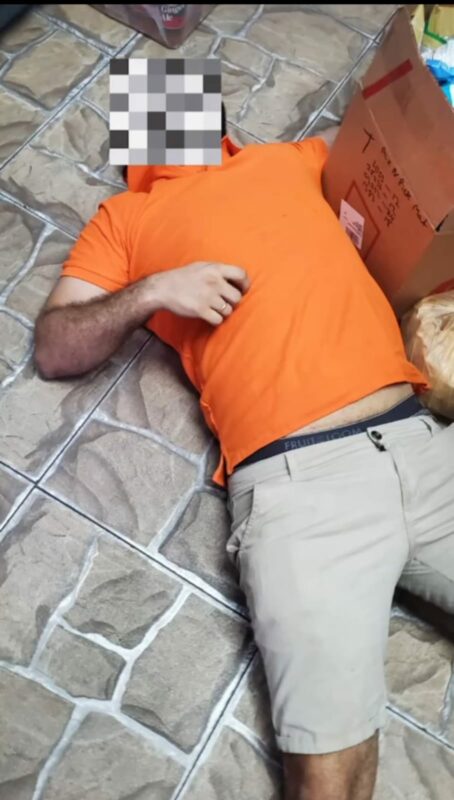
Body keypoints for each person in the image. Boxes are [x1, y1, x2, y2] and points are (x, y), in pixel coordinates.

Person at [34, 104, 454, 800]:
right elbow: (55, 347)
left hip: (423, 440)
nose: (170, 116)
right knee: (331, 774)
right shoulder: (125, 219)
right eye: (152, 109)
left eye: (182, 102)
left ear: (218, 120)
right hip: (303, 487)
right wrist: (155, 290)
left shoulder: (285, 160)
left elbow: (393, 131)